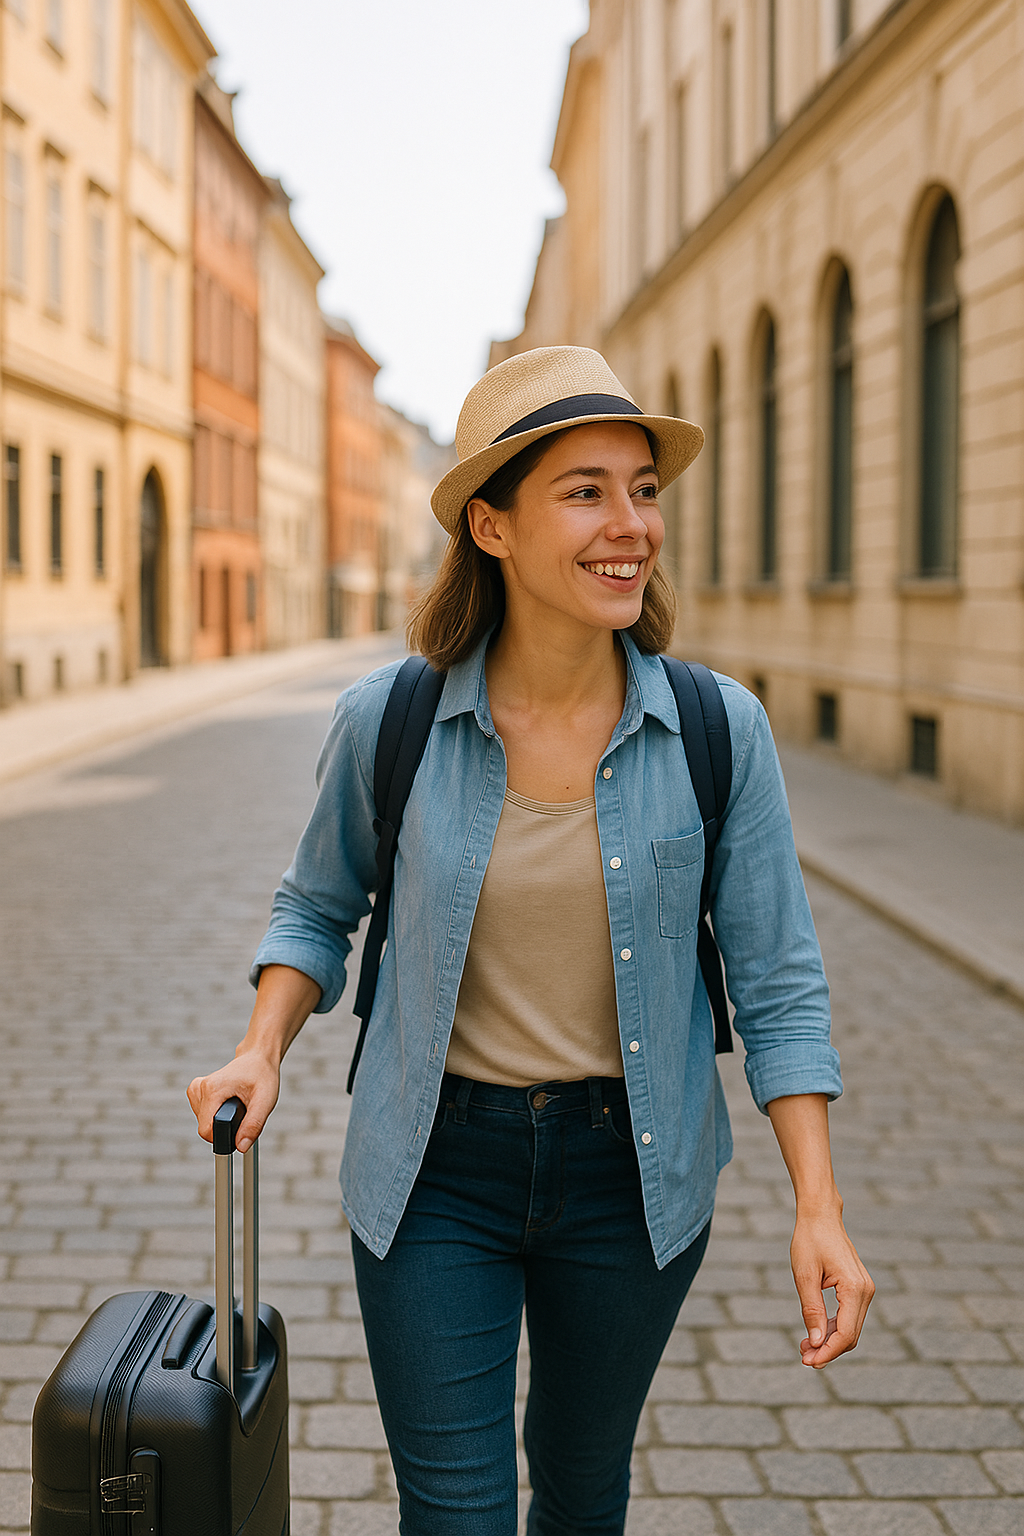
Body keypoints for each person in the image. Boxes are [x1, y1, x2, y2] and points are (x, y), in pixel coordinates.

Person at [188, 346, 874, 1536]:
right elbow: (316, 903)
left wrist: (818, 1204)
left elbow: (776, 980)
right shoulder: (388, 720)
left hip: (634, 1175)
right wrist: (264, 1047)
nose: (631, 525)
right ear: (492, 527)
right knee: (454, 1514)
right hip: (435, 1166)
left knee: (579, 1489)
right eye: (586, 491)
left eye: (643, 488)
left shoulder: (717, 731)